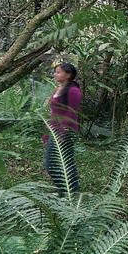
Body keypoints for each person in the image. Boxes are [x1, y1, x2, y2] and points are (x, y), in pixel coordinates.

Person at [43, 62, 82, 194]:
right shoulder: (57, 90)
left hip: (65, 132)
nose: (55, 74)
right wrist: (47, 133)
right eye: (56, 71)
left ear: (68, 75)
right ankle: (65, 189)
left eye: (58, 72)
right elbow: (53, 113)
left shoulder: (73, 91)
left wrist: (63, 132)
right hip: (54, 131)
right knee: (56, 162)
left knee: (59, 162)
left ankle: (69, 190)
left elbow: (72, 113)